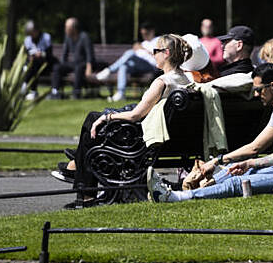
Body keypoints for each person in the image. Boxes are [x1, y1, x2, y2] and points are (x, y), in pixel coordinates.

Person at [147, 62, 273, 202]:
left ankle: (176, 197)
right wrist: (251, 163)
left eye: (259, 90)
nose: (256, 94)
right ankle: (193, 190)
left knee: (238, 182)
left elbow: (255, 148)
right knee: (236, 169)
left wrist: (216, 161)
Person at [51, 34, 193, 207]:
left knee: (93, 120)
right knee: (97, 122)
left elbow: (135, 116)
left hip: (142, 138)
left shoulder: (162, 82)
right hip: (173, 139)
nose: (153, 54)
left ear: (167, 53)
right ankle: (78, 165)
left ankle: (82, 185)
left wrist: (108, 117)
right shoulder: (186, 79)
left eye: (155, 51)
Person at [95, 23, 160, 102]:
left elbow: (159, 55)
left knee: (130, 53)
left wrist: (142, 49)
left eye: (146, 34)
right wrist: (137, 48)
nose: (144, 36)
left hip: (151, 66)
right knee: (124, 66)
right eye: (142, 34)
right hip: (137, 66)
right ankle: (120, 93)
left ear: (152, 31)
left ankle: (109, 70)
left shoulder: (158, 40)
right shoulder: (143, 43)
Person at [50, 17, 95, 99]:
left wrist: (89, 68)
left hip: (84, 63)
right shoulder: (68, 37)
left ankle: (76, 93)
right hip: (75, 63)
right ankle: (55, 92)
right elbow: (64, 54)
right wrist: (62, 65)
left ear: (73, 28)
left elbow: (90, 54)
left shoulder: (84, 37)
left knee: (79, 68)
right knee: (57, 67)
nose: (65, 29)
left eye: (67, 27)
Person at [22, 20, 55, 99]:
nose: (31, 35)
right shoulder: (27, 40)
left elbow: (49, 54)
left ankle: (26, 88)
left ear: (37, 30)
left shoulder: (46, 37)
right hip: (32, 64)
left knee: (33, 65)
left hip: (45, 64)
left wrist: (42, 54)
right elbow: (26, 54)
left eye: (32, 32)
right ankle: (28, 89)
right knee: (29, 65)